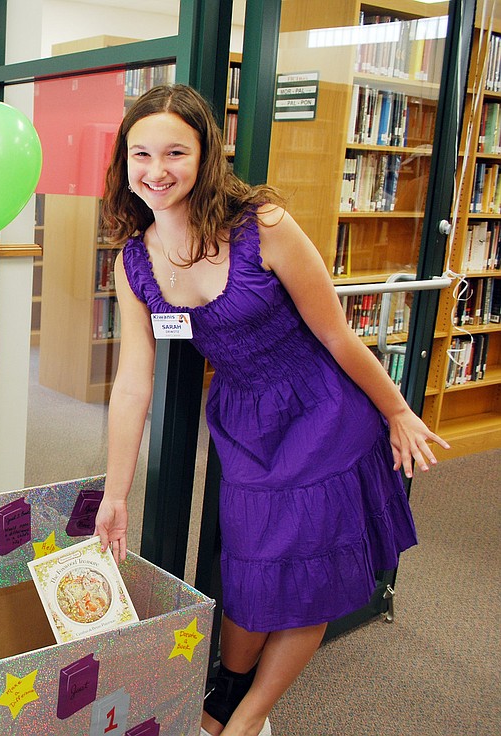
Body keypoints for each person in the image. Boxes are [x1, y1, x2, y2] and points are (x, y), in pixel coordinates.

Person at [92, 84, 449, 736]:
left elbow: (338, 334)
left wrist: (397, 410)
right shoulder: (134, 261)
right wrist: (117, 495)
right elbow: (132, 384)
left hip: (325, 412)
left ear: (206, 155)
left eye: (176, 151)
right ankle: (232, 691)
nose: (156, 170)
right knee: (253, 578)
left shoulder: (263, 229)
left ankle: (247, 716)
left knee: (310, 573)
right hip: (246, 423)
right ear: (124, 161)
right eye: (141, 154)